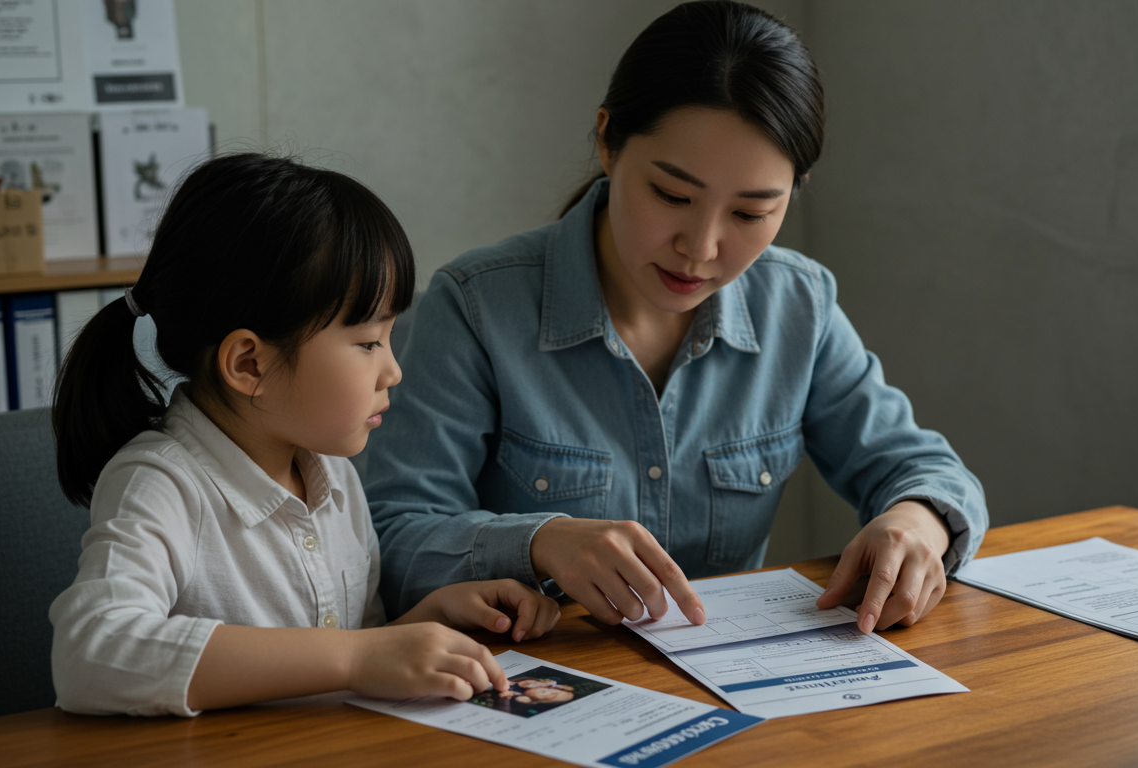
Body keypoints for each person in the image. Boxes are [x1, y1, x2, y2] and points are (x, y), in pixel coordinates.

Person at [365, 1, 987, 636]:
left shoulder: (799, 306)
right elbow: (393, 540)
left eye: (750, 214)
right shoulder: (475, 307)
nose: (701, 247)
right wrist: (539, 542)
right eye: (671, 195)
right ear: (608, 141)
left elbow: (926, 469)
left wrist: (917, 521)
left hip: (738, 676)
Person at [49, 153, 560, 717]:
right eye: (369, 342)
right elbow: (90, 653)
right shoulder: (160, 483)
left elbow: (350, 657)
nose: (393, 371)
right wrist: (357, 658)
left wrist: (428, 620)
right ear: (250, 364)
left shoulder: (332, 474)